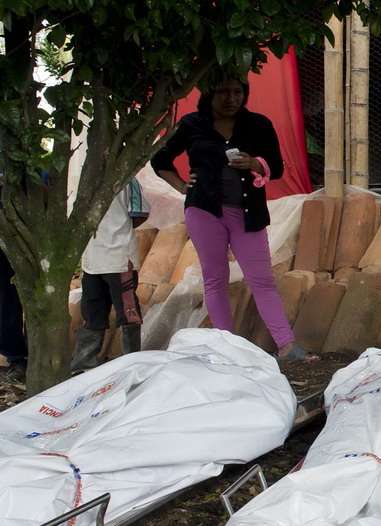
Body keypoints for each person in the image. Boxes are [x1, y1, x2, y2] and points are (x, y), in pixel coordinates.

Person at [152, 74, 318, 362]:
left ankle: (287, 345)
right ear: (209, 94)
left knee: (262, 280)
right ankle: (226, 348)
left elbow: (276, 168)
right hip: (204, 210)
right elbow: (160, 161)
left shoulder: (258, 124)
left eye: (238, 92)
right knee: (215, 278)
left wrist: (254, 163)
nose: (232, 99)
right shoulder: (192, 124)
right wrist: (182, 187)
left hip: (248, 212)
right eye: (224, 92)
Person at [72, 178, 150, 373]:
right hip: (92, 258)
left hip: (119, 256)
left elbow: (140, 212)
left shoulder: (127, 178)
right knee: (91, 309)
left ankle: (132, 363)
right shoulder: (82, 180)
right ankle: (85, 362)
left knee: (128, 310)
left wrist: (116, 230)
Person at [0, 152, 29, 385]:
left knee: (38, 302)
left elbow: (53, 199)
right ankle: (16, 359)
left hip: (34, 243)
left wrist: (20, 183)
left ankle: (38, 352)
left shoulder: (40, 161)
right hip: (0, 244)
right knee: (6, 302)